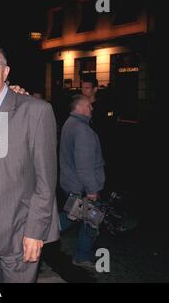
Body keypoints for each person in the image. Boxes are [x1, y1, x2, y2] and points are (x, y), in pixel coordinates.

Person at [0, 42, 59, 282]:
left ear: (6, 72)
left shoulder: (36, 111)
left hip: (18, 220)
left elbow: (46, 181)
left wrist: (36, 231)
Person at [59, 94, 105, 269]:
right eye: (89, 105)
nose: (92, 108)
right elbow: (85, 165)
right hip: (82, 188)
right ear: (80, 107)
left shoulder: (69, 124)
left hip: (71, 183)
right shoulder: (83, 130)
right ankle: (81, 256)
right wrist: (92, 190)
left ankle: (37, 235)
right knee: (91, 220)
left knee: (77, 217)